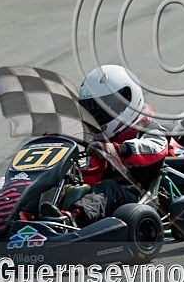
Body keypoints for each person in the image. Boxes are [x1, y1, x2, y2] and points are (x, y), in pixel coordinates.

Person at [41, 64, 168, 227]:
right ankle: (25, 214)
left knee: (108, 188)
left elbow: (156, 147)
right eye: (92, 108)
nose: (98, 114)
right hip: (101, 198)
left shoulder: (149, 129)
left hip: (138, 197)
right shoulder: (97, 138)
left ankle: (70, 221)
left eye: (107, 106)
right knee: (61, 181)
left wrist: (118, 149)